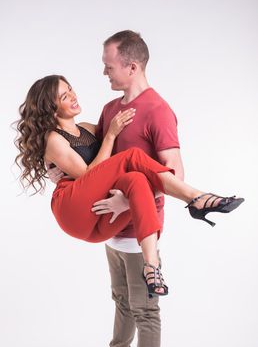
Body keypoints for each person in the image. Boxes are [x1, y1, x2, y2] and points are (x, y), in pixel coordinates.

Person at [44, 31, 244, 347]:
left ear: (132, 67)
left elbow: (174, 172)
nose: (104, 72)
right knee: (121, 301)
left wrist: (127, 203)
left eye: (109, 66)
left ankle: (196, 199)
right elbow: (97, 160)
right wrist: (63, 173)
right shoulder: (110, 111)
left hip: (140, 230)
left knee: (145, 312)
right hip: (109, 228)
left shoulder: (157, 110)